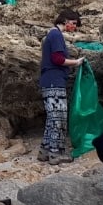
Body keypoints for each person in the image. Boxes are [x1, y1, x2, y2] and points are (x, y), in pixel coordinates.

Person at [38, 10, 85, 163]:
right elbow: (58, 59)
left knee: (52, 118)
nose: (74, 27)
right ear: (65, 21)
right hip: (54, 81)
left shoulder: (50, 34)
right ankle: (55, 153)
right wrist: (76, 62)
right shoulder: (56, 35)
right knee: (58, 117)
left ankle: (44, 151)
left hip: (48, 80)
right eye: (73, 23)